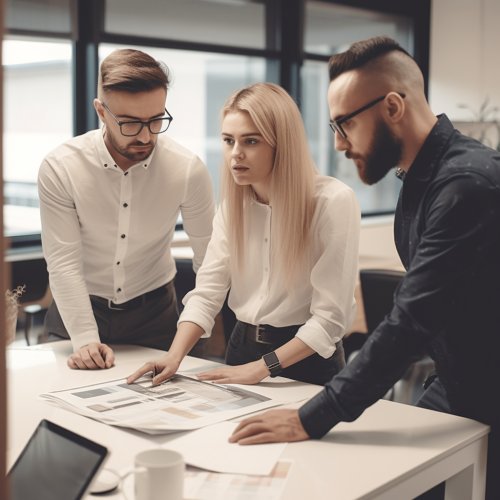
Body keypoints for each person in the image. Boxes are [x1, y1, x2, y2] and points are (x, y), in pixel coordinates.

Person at [228, 36, 500, 500]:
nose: (338, 144)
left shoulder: (466, 183)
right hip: (455, 383)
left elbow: (411, 321)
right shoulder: (420, 180)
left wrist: (310, 415)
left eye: (345, 124)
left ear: (393, 106)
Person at [127, 82, 360, 387]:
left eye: (250, 141)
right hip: (241, 349)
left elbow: (331, 320)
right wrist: (173, 356)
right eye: (228, 140)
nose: (235, 154)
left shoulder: (333, 202)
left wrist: (263, 368)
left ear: (282, 144)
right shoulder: (233, 207)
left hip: (306, 359)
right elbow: (208, 293)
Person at [39, 49, 215, 370]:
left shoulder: (188, 169)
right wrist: (85, 338)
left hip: (156, 313)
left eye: (157, 120)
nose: (147, 136)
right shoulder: (61, 166)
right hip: (76, 309)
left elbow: (211, 260)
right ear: (102, 112)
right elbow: (63, 262)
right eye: (131, 123)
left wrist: (197, 326)